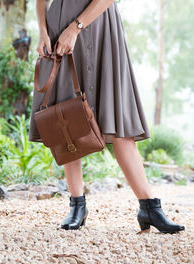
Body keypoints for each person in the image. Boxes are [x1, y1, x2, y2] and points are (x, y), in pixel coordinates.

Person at [28, 0, 185, 233]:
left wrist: (75, 28)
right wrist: (42, 31)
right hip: (58, 27)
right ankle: (77, 205)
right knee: (65, 118)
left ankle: (149, 206)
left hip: (101, 25)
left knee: (116, 111)